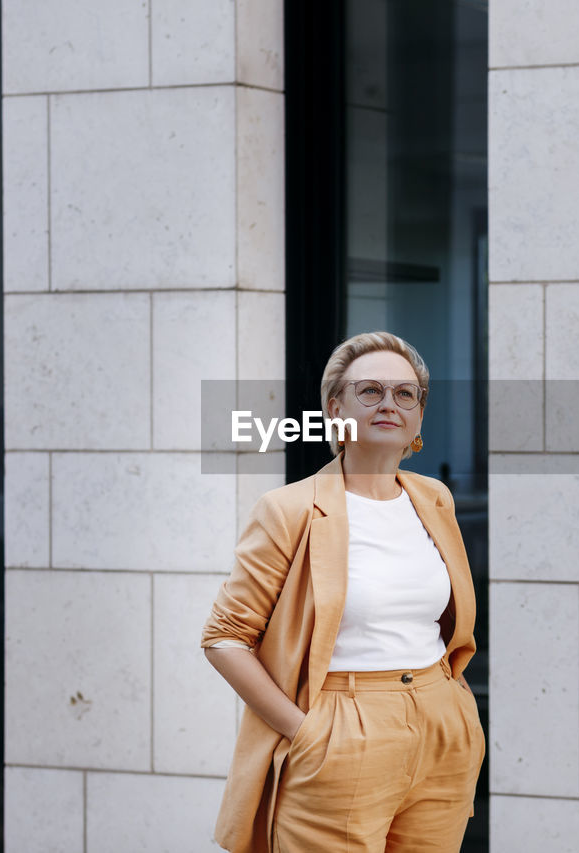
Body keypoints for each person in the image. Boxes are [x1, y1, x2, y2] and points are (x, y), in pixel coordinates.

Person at [200, 331, 485, 853]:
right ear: (336, 409)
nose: (389, 404)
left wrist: (456, 699)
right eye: (369, 391)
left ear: (419, 416)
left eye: (405, 394)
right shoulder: (289, 509)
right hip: (341, 725)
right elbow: (224, 638)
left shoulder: (434, 499)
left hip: (442, 722)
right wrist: (304, 732)